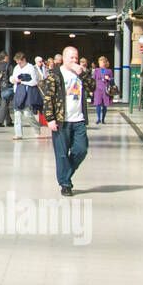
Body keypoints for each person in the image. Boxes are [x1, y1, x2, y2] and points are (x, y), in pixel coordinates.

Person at [43, 45, 88, 196]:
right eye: (71, 58)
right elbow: (48, 98)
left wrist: (83, 74)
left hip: (79, 119)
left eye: (76, 57)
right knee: (62, 154)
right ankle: (65, 184)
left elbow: (92, 87)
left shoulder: (80, 74)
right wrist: (50, 118)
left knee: (81, 149)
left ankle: (65, 173)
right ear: (64, 58)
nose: (74, 60)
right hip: (62, 121)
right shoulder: (55, 74)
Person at [9, 51, 38, 140]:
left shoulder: (30, 68)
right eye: (17, 62)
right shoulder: (16, 68)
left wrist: (22, 81)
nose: (18, 64)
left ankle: (36, 127)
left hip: (27, 93)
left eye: (20, 62)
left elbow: (34, 82)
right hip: (17, 93)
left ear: (24, 60)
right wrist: (12, 80)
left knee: (27, 114)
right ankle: (18, 134)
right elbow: (12, 78)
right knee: (17, 114)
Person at [92, 56, 114, 124]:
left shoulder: (109, 71)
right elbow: (93, 80)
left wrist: (109, 79)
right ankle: (98, 118)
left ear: (105, 63)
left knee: (105, 104)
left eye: (102, 62)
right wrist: (91, 90)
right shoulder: (96, 70)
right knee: (98, 104)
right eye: (99, 62)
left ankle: (103, 119)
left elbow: (112, 81)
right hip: (97, 88)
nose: (100, 64)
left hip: (105, 88)